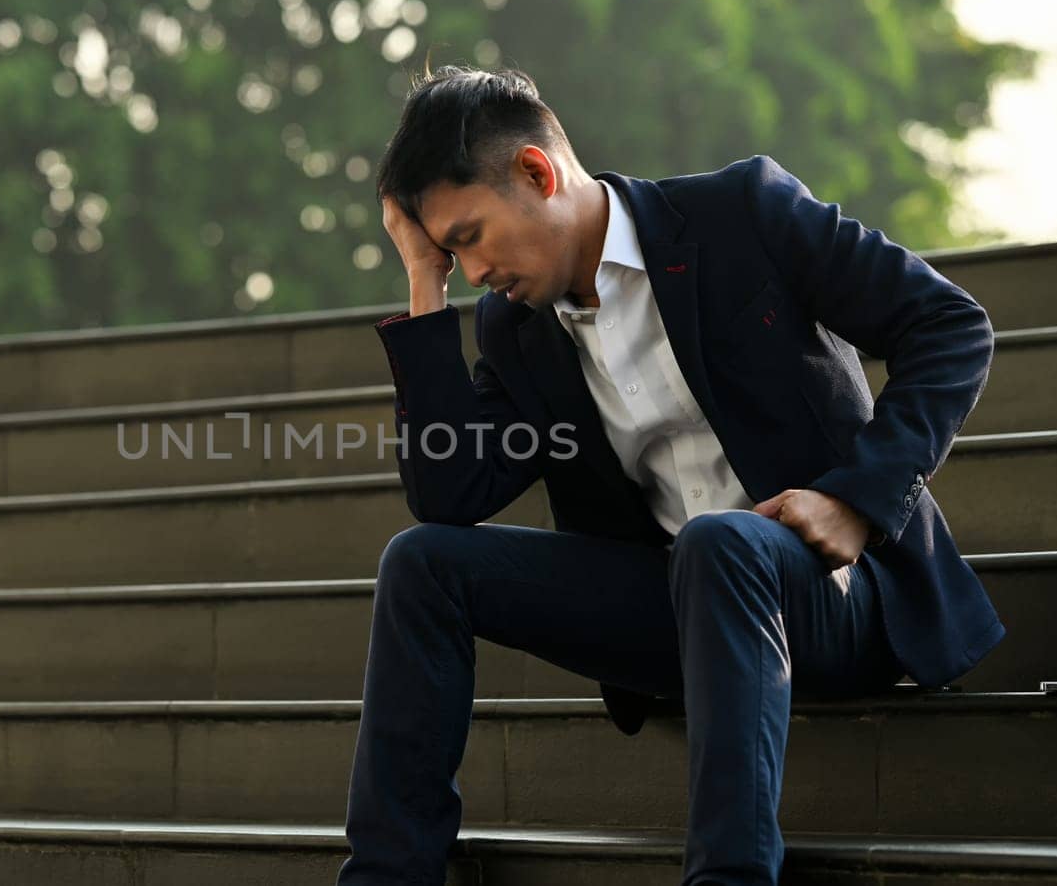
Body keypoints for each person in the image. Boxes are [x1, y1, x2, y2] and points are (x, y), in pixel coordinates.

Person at [335, 64, 1004, 886]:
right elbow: (448, 495)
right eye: (448, 252)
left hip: (834, 587)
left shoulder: (740, 213)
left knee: (721, 542)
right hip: (678, 603)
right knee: (419, 564)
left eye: (467, 237)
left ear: (537, 174)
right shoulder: (516, 328)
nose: (472, 270)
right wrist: (421, 282)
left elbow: (950, 325)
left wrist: (855, 502)